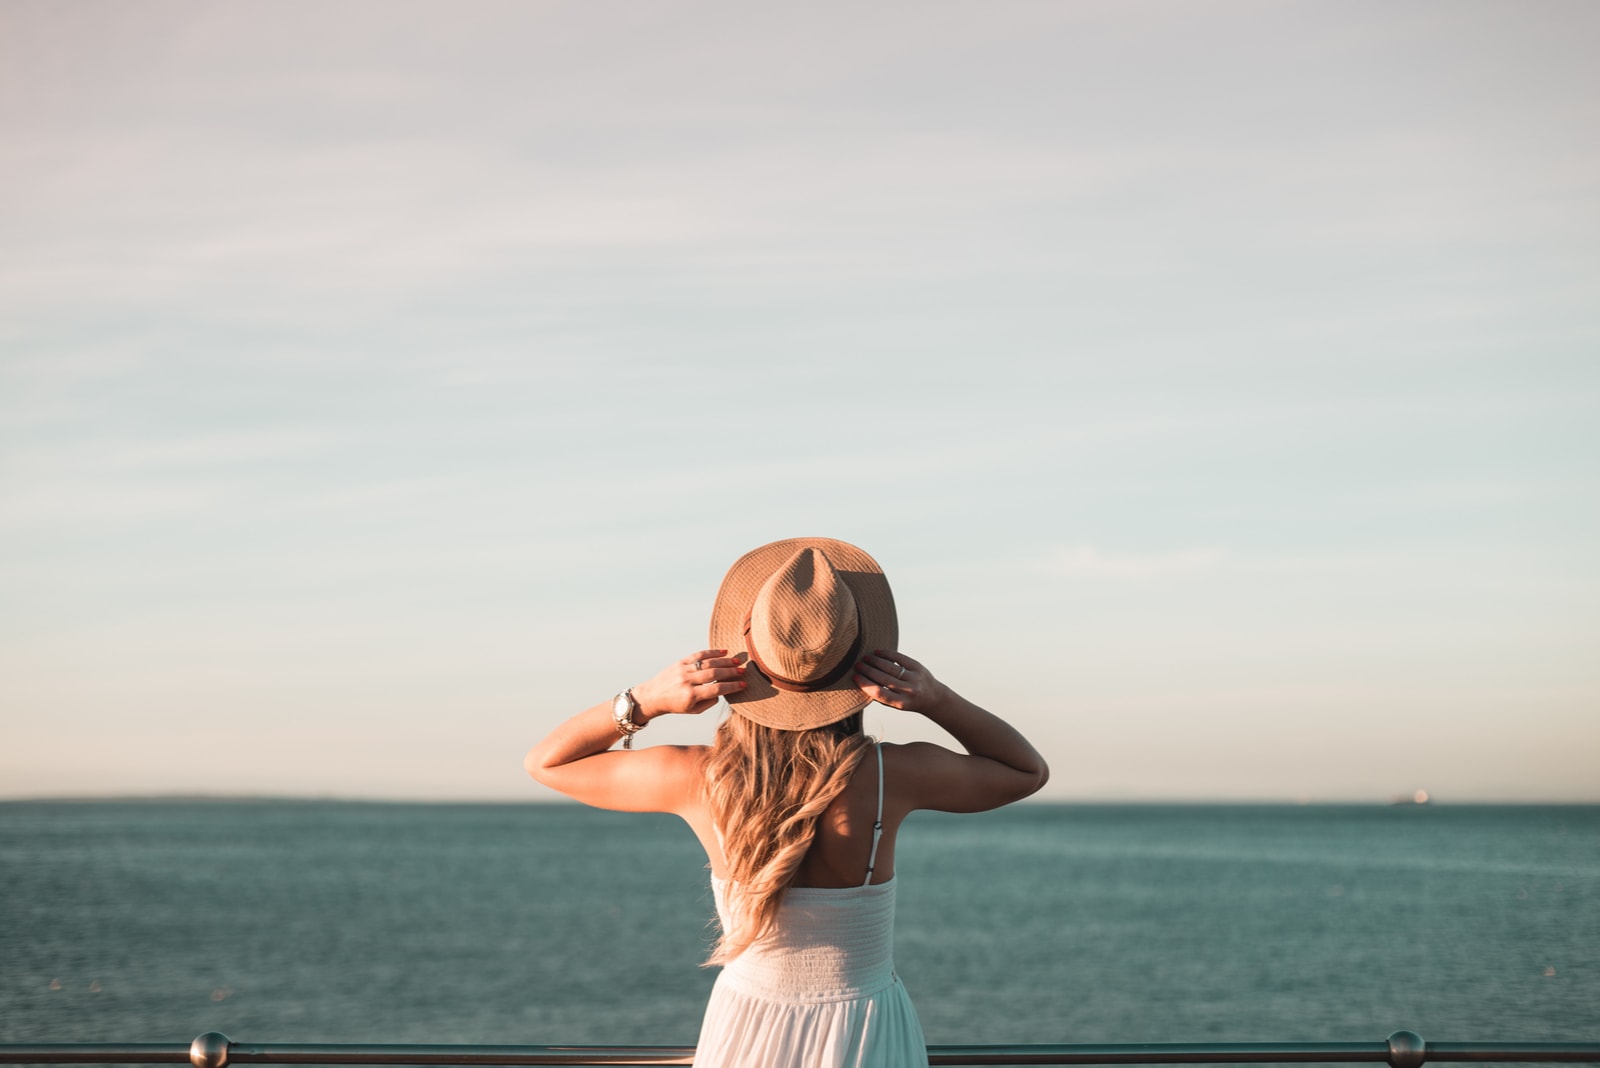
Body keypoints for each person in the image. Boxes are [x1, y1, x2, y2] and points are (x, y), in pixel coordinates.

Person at [526, 537, 1049, 1068]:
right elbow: (1026, 771)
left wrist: (645, 700)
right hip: (864, 1031)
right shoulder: (892, 775)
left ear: (746, 659)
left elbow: (547, 763)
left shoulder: (698, 777)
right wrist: (938, 698)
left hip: (747, 1026)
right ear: (859, 666)